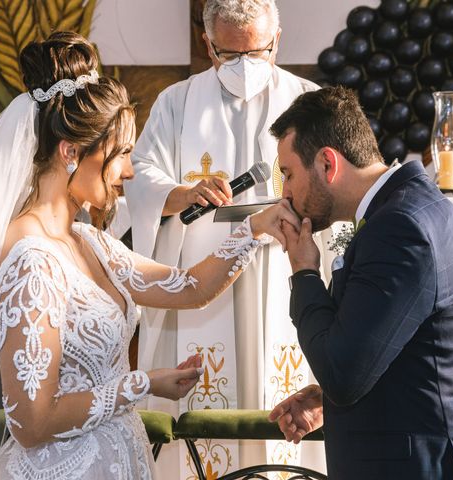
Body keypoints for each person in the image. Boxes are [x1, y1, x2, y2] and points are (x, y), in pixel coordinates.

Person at [0, 32, 296, 480]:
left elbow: (189, 287)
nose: (131, 170)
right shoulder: (30, 260)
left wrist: (255, 229)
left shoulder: (88, 241)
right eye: (119, 154)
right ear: (71, 152)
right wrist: (143, 384)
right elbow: (31, 421)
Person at [124, 0, 324, 471]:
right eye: (229, 55)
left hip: (282, 270)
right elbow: (140, 177)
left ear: (277, 40)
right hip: (203, 274)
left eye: (256, 53)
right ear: (207, 45)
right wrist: (181, 192)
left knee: (280, 377)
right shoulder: (178, 101)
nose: (243, 67)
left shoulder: (309, 101)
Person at [266, 87, 453, 479]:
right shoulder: (407, 209)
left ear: (328, 163)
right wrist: (327, 400)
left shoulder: (399, 228)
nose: (285, 192)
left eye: (288, 174)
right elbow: (405, 346)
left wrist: (305, 271)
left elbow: (343, 375)